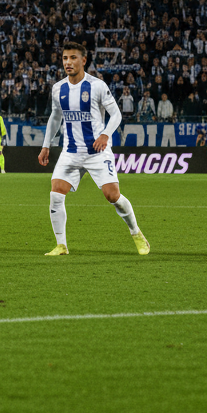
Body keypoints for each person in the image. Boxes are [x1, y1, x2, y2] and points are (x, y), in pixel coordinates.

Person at [38, 42, 149, 256]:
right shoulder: (58, 88)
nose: (68, 62)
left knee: (112, 195)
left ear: (83, 60)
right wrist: (46, 145)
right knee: (56, 192)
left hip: (97, 151)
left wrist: (105, 135)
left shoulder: (97, 86)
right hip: (71, 151)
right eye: (65, 58)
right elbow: (55, 117)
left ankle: (136, 233)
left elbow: (116, 115)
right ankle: (61, 245)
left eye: (73, 58)